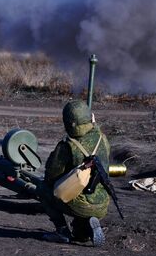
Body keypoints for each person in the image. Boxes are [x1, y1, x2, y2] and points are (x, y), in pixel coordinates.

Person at [37, 100, 111, 247]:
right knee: (80, 236)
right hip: (102, 204)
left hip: (79, 203)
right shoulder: (102, 139)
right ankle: (87, 227)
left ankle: (62, 231)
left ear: (68, 122)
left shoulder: (67, 146)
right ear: (90, 117)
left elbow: (51, 177)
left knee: (42, 188)